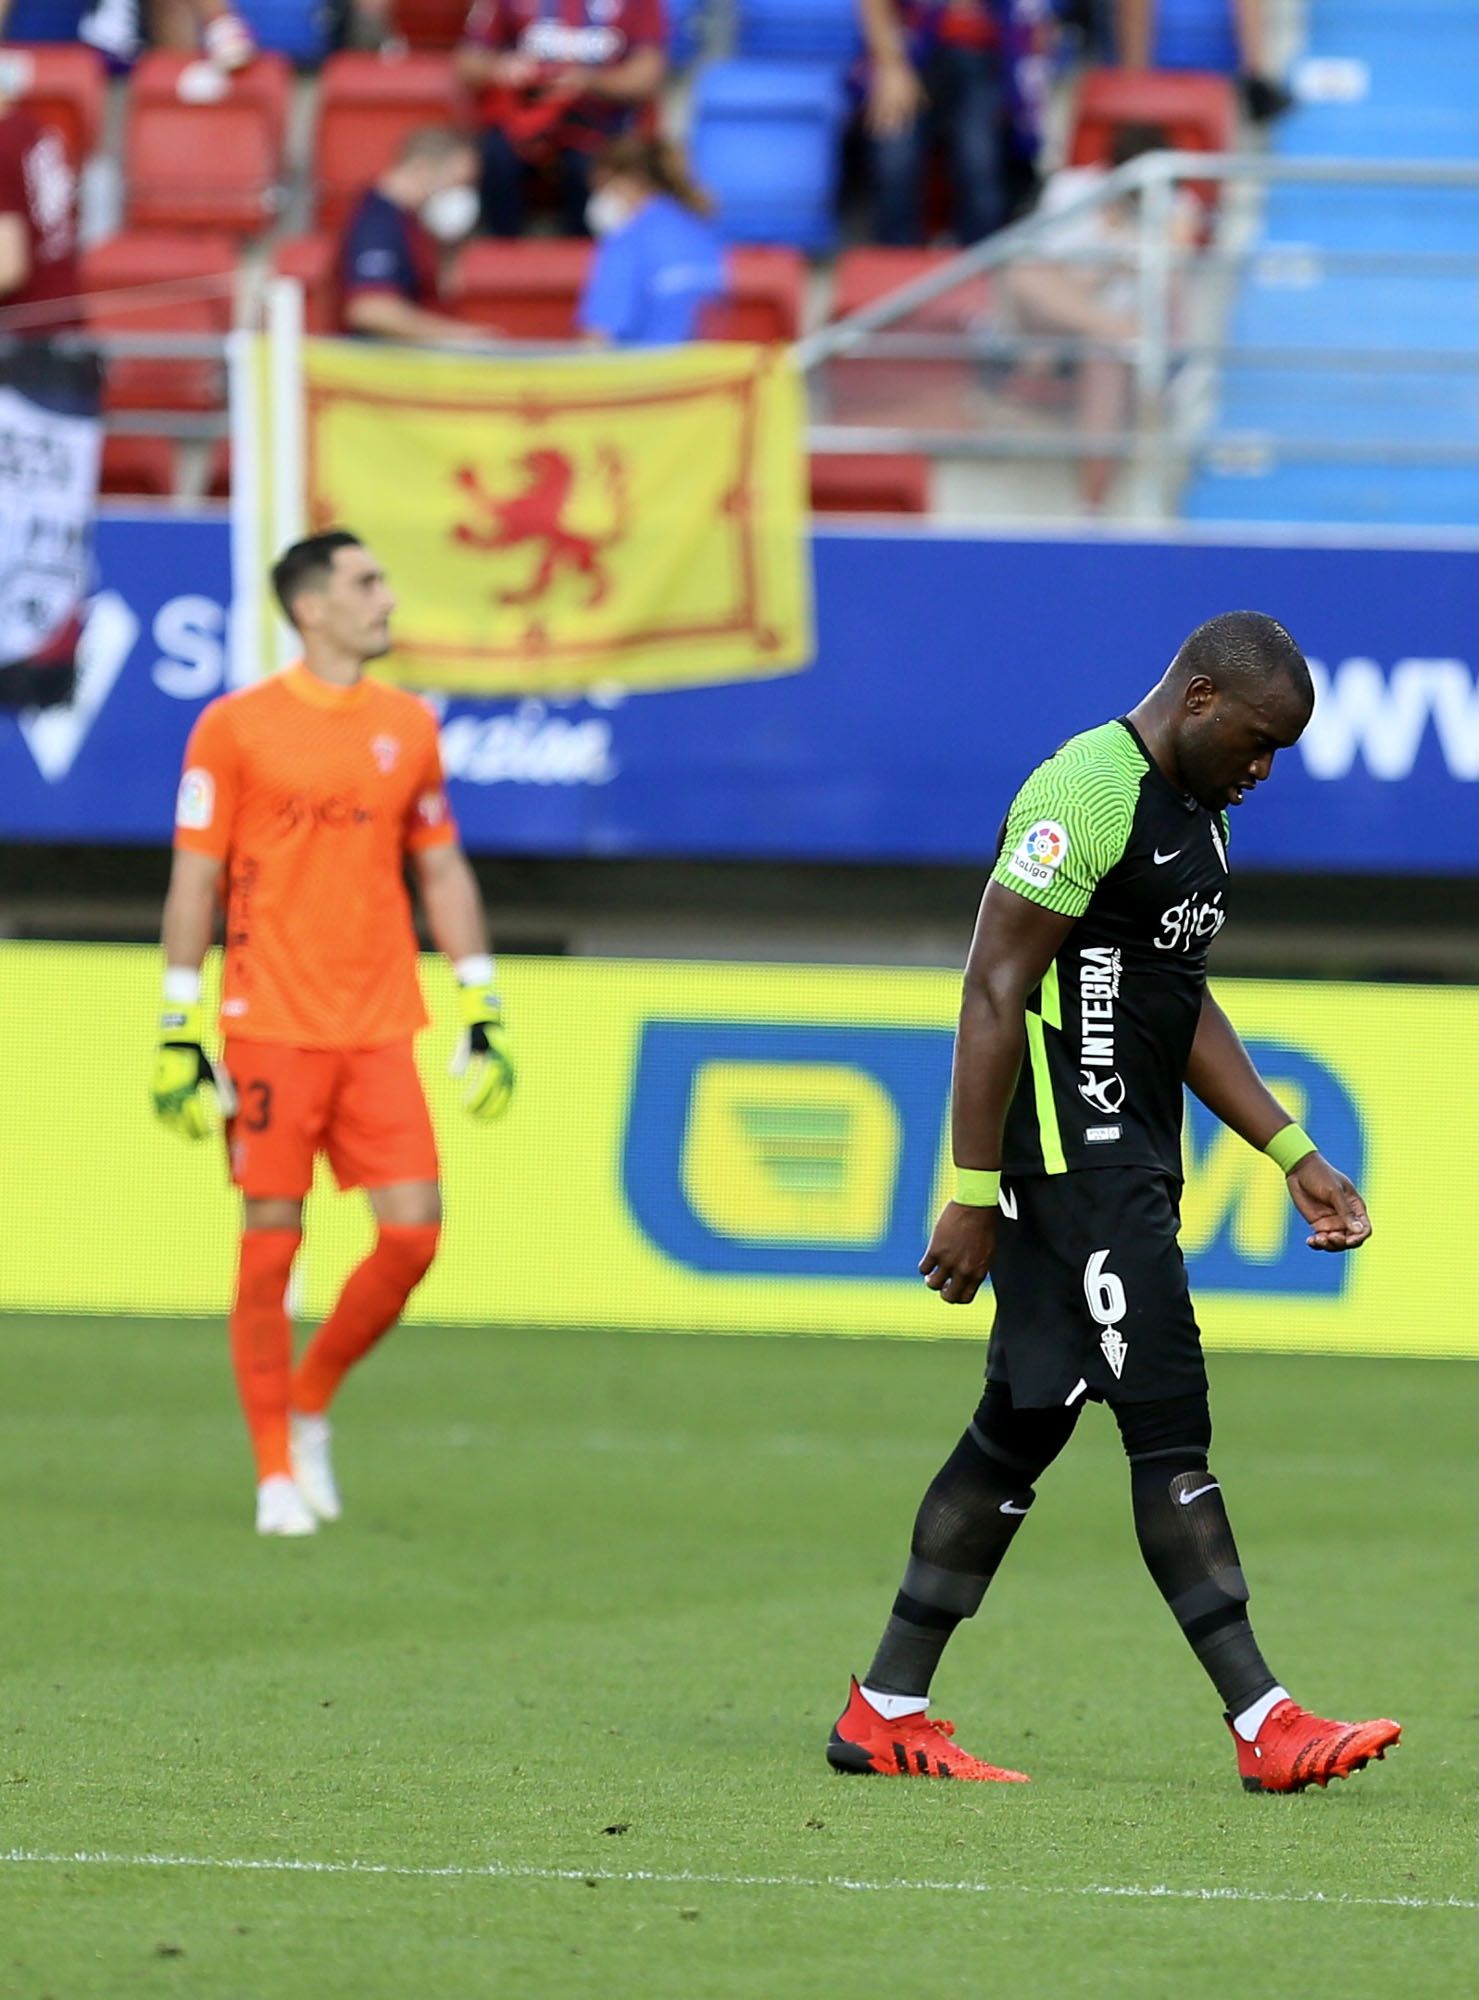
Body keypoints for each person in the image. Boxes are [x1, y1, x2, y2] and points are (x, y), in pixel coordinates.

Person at [827, 611, 1402, 1794]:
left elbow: (1177, 998)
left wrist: (1289, 1145)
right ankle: (1265, 1717)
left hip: (1130, 1147)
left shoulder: (1201, 815)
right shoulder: (1087, 789)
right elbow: (994, 984)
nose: (1264, 768)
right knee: (1165, 1409)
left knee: (1029, 1409)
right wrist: (973, 1189)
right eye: (1256, 740)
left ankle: (885, 1704)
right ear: (1198, 699)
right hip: (1070, 1154)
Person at [152, 531, 515, 1537]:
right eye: (367, 582)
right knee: (270, 1239)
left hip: (379, 1024)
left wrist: (480, 998)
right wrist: (178, 1019)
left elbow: (440, 867)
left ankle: (309, 1400)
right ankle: (273, 1466)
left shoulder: (408, 725)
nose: (386, 597)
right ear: (311, 607)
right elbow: (196, 873)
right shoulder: (235, 728)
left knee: (414, 1233)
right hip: (266, 1025)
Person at [1000, 120, 1197, 510]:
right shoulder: (1072, 190)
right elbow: (1054, 284)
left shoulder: (1177, 205)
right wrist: (1117, 253)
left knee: (1104, 352)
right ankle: (1106, 337)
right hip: (1061, 322)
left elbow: (1170, 288)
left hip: (1123, 338)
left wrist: (1118, 247)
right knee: (1024, 275)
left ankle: (1093, 501)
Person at [454, 0, 666, 239]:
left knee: (591, 167)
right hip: (526, 116)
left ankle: (581, 260)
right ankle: (500, 254)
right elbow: (467, 62)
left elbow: (647, 77)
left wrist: (588, 81)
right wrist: (501, 67)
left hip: (597, 121)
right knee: (496, 155)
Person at [857, 0, 1049, 247]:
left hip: (986, 63)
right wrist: (891, 68)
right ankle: (895, 269)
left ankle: (978, 271)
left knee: (979, 168)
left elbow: (1037, 28)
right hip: (909, 57)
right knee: (894, 164)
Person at [338, 125, 490, 345]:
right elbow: (370, 309)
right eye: (458, 183)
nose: (462, 195)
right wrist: (461, 336)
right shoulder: (378, 222)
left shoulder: (413, 222)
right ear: (423, 169)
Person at [577, 134, 724, 347]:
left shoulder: (627, 243)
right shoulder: (700, 230)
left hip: (643, 377)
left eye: (604, 189)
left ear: (632, 179)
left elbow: (596, 339)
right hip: (705, 375)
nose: (600, 202)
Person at [0, 59, 80, 335]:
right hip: (61, 326)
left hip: (21, 343)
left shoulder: (3, 144)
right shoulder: (31, 130)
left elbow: (7, 268)